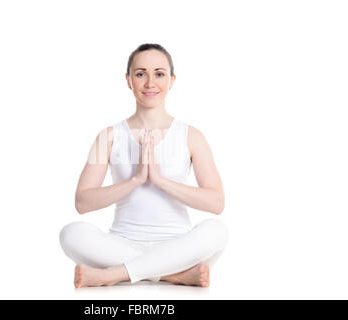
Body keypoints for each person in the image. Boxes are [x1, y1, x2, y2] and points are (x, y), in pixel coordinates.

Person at [59, 43, 229, 288]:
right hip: (121, 244)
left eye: (159, 74)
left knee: (217, 230)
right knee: (71, 233)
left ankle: (112, 275)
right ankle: (174, 276)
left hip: (178, 245)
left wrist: (160, 180)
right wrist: (136, 180)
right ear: (128, 80)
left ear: (171, 80)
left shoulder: (192, 136)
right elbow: (82, 203)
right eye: (141, 74)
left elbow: (216, 203)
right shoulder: (107, 136)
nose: (150, 83)